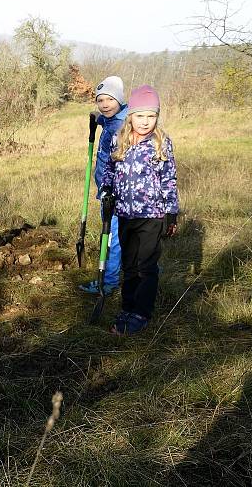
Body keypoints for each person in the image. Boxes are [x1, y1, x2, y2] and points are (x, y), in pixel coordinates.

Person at [101, 85, 179, 336]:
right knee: (129, 265)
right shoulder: (119, 139)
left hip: (152, 215)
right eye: (140, 116)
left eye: (151, 116)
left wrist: (171, 213)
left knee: (146, 266)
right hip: (124, 214)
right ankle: (128, 307)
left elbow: (169, 179)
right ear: (130, 115)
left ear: (157, 116)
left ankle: (141, 314)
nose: (145, 122)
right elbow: (109, 172)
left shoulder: (161, 143)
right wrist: (106, 191)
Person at [79, 76, 127, 295]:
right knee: (116, 236)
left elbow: (119, 161)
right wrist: (98, 119)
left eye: (110, 99)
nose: (105, 104)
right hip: (105, 189)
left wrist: (110, 189)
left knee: (111, 238)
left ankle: (108, 282)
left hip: (114, 192)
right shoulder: (112, 120)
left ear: (120, 99)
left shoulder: (120, 127)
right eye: (100, 100)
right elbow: (107, 118)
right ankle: (127, 271)